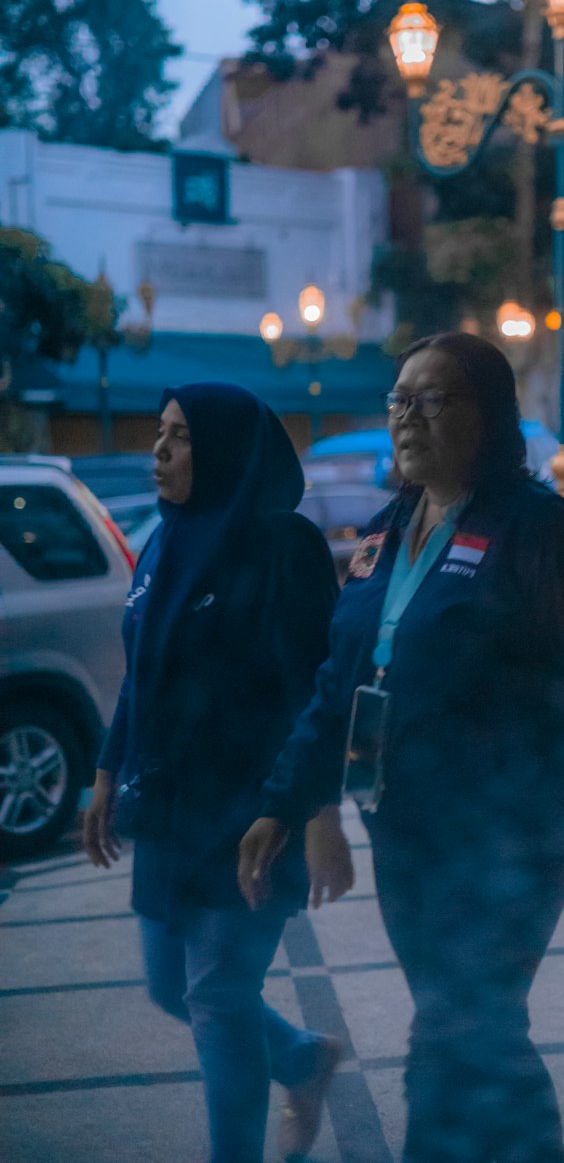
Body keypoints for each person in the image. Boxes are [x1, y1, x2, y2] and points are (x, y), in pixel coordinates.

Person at [238, 333, 564, 1163]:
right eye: (399, 400)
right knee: (456, 1020)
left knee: (466, 1024)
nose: (408, 418)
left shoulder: (541, 530)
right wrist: (285, 802)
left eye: (433, 401)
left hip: (510, 834)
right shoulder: (388, 531)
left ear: (489, 417)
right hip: (407, 829)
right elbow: (340, 684)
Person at [82, 383, 347, 1163]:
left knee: (219, 999)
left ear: (228, 450)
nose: (158, 452)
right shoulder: (167, 538)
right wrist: (106, 769)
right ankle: (303, 1057)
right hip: (168, 809)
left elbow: (317, 692)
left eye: (180, 437)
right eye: (158, 433)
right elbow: (146, 670)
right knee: (172, 987)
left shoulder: (282, 547)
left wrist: (314, 813)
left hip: (249, 814)